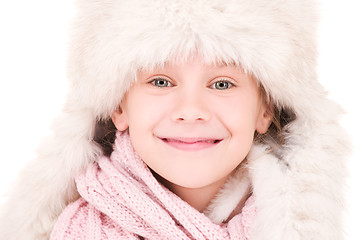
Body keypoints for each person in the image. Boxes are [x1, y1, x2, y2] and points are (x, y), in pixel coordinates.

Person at [0, 0, 350, 239]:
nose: (190, 110)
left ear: (266, 109)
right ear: (118, 107)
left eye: (223, 83)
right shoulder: (82, 230)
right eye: (161, 82)